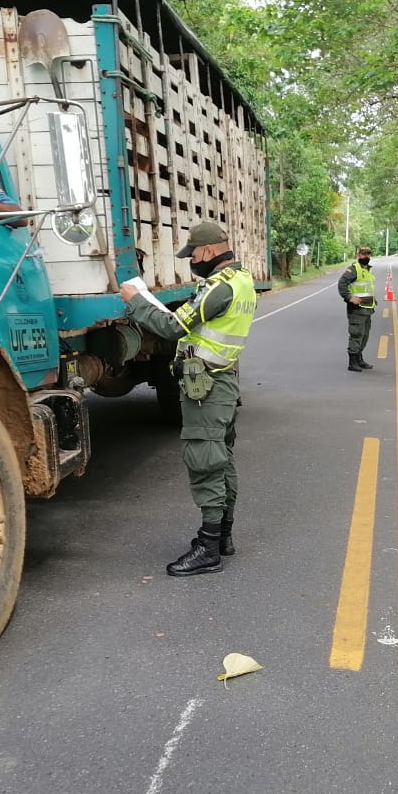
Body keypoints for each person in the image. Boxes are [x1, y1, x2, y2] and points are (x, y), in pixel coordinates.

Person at [118, 221, 257, 576]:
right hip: (222, 380)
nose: (191, 259)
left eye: (193, 253)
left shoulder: (217, 288)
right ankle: (221, 537)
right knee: (221, 460)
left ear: (209, 250)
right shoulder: (242, 282)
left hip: (207, 388)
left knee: (205, 461)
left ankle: (209, 549)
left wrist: (136, 303)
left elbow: (170, 328)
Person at [338, 245, 377, 372]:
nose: (366, 256)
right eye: (364, 254)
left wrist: (373, 299)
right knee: (356, 335)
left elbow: (367, 288)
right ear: (358, 256)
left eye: (368, 254)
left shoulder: (367, 270)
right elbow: (342, 284)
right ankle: (352, 362)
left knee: (364, 336)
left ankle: (359, 359)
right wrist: (349, 297)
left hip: (367, 309)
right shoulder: (353, 269)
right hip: (356, 309)